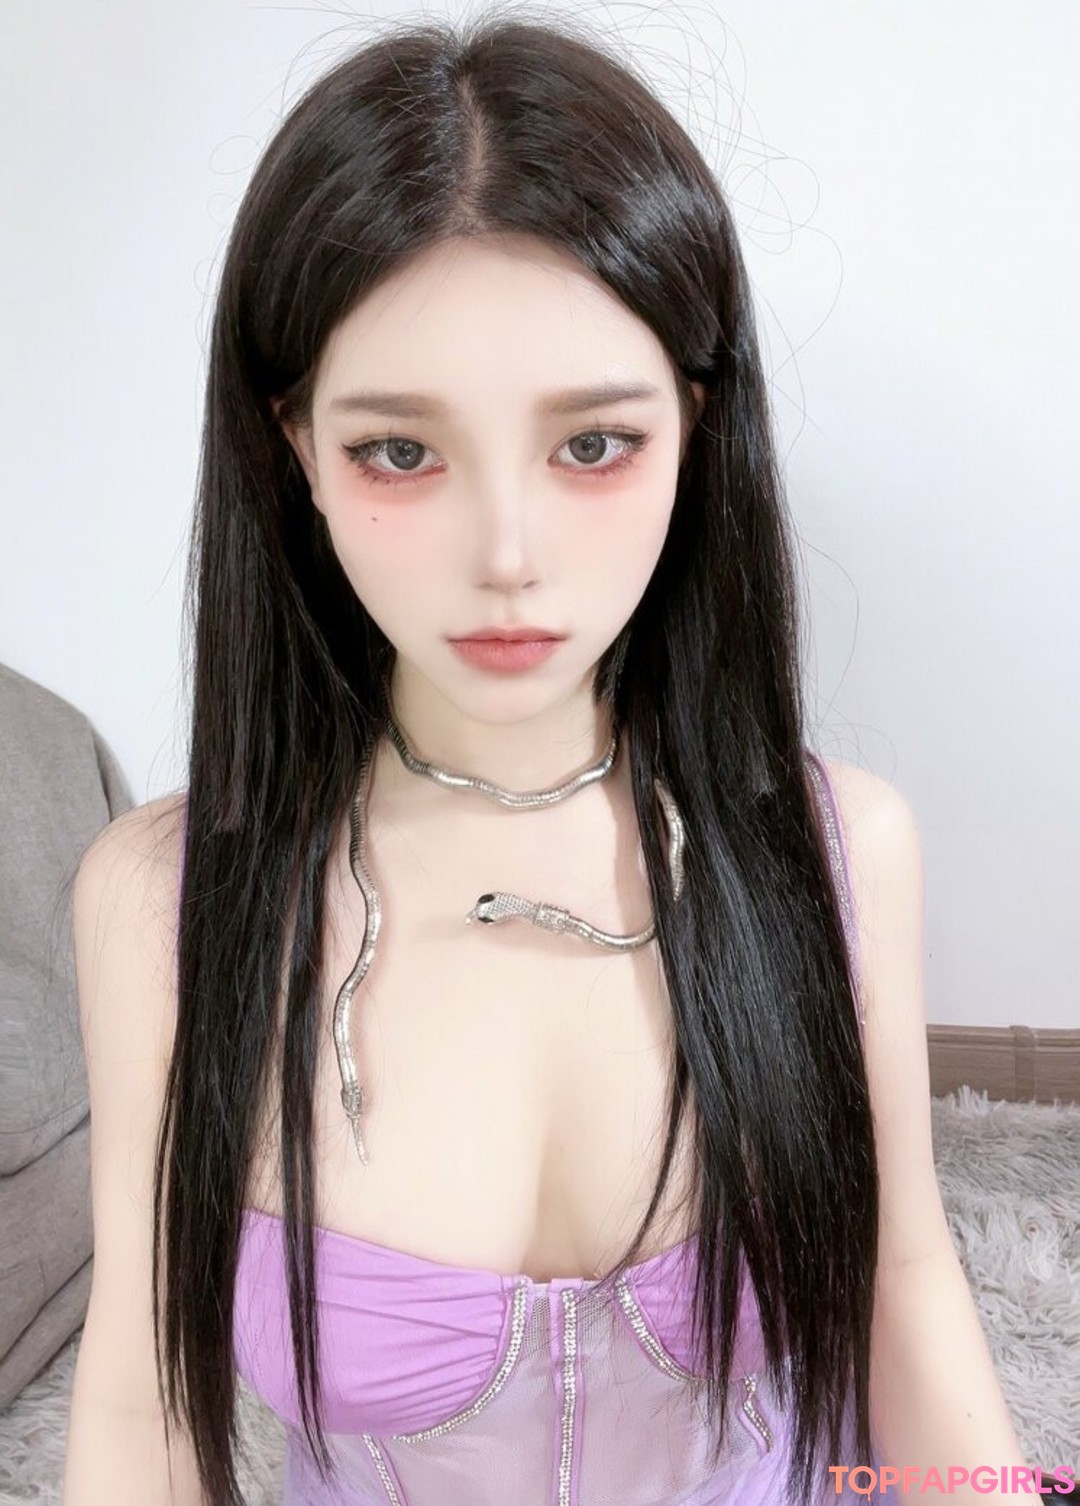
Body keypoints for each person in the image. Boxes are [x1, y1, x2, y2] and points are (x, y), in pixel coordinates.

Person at [62, 11, 1029, 1505]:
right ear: (295, 445)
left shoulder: (839, 848)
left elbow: (905, 1284)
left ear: (695, 425)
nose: (507, 554)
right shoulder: (164, 898)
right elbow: (140, 1402)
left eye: (592, 445)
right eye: (401, 451)